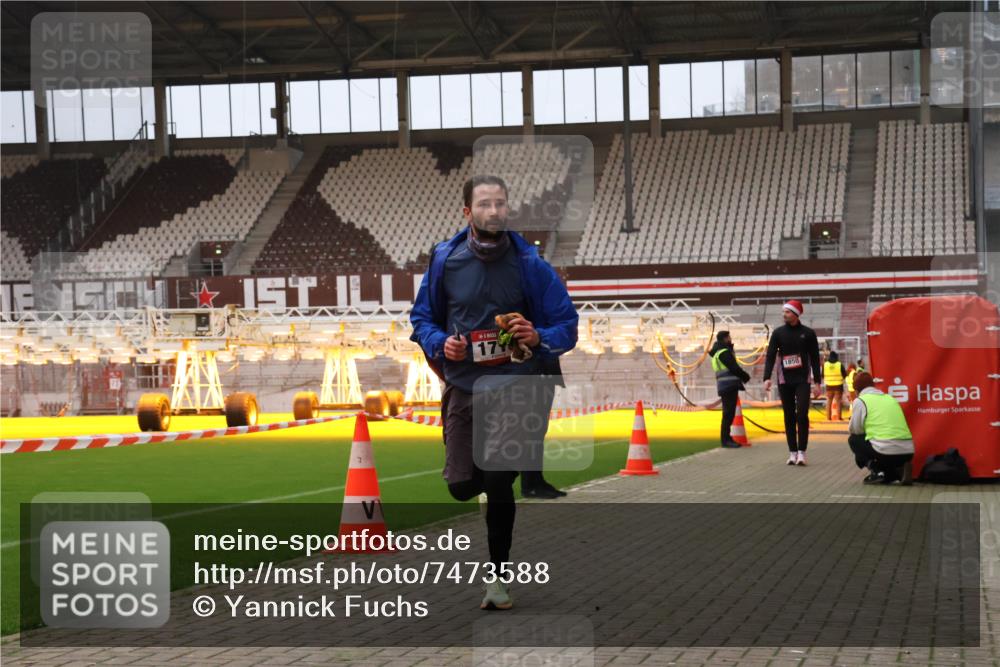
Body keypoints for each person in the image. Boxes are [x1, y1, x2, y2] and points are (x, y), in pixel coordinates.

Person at [410, 175, 578, 610]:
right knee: (462, 487)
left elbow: (568, 326)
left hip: (516, 385)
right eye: (484, 204)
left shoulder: (530, 264)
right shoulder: (445, 260)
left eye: (501, 203)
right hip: (464, 385)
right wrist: (438, 342)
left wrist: (537, 335)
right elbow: (422, 319)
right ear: (467, 212)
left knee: (499, 478)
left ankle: (497, 580)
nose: (494, 211)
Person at [762, 299, 822, 466]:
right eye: (783, 312)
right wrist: (766, 378)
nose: (784, 314)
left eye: (787, 312)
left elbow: (816, 359)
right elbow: (771, 356)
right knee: (788, 415)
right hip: (784, 380)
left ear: (796, 314)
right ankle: (792, 452)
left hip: (803, 379)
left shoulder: (808, 333)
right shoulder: (778, 333)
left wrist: (818, 382)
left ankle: (802, 452)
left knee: (802, 414)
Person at [847, 372, 914, 485]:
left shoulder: (861, 401)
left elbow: (855, 430)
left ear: (857, 390)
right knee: (881, 445)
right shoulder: (890, 398)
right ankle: (896, 472)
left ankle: (877, 471)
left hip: (884, 451)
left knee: (854, 440)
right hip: (907, 451)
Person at [709, 330, 752, 448]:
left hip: (725, 386)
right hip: (729, 386)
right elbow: (734, 368)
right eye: (729, 337)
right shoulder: (724, 352)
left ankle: (727, 439)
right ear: (725, 338)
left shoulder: (717, 353)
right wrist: (745, 376)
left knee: (728, 414)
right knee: (728, 414)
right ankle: (726, 440)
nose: (731, 339)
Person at [823, 350, 847, 421]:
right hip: (838, 386)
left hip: (829, 386)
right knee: (838, 402)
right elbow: (844, 375)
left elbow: (822, 375)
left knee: (829, 402)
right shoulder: (839, 364)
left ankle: (828, 418)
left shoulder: (825, 365)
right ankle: (839, 417)